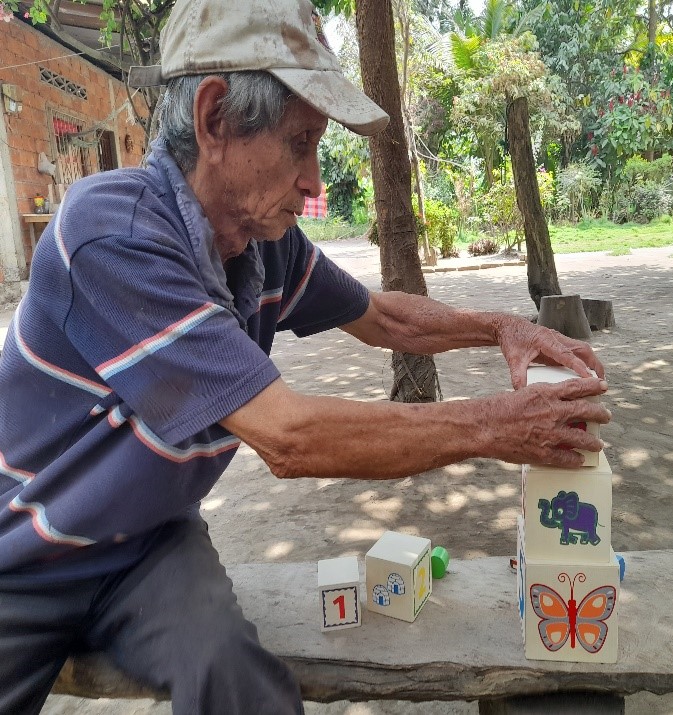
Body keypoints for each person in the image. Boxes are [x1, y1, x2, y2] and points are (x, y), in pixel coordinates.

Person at [0, 0, 610, 713]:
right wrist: (497, 425)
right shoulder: (112, 232)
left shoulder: (264, 242)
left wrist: (500, 327)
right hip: (20, 558)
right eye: (300, 143)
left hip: (144, 542)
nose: (316, 182)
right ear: (214, 119)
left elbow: (381, 316)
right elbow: (289, 436)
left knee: (241, 685)